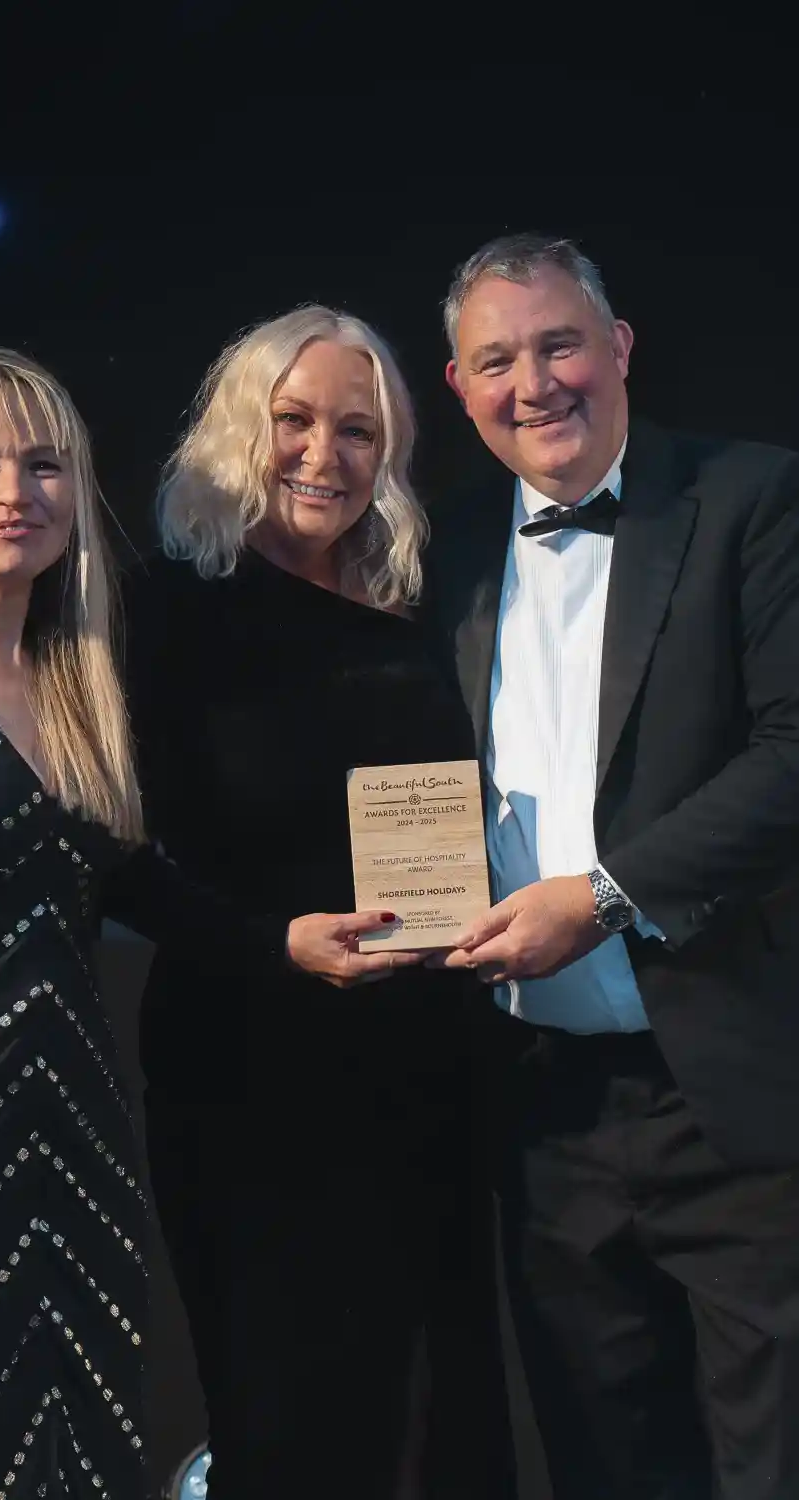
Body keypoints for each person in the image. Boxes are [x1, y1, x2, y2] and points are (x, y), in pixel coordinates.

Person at [0, 346, 413, 1500]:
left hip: (69, 1130)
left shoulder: (78, 675)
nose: (13, 492)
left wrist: (283, 942)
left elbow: (132, 881)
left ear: (76, 491)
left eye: (44, 466)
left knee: (70, 1442)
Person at [425, 232, 799, 1500]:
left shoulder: (753, 497)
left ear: (620, 347)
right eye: (496, 361)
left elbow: (795, 751)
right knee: (605, 1466)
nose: (534, 383)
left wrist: (601, 897)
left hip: (733, 1097)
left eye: (559, 343)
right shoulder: (445, 564)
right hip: (542, 1111)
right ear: (458, 388)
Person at [122, 307, 517, 1499]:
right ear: (239, 430)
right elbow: (110, 855)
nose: (323, 456)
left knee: (434, 1407)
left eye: (358, 431)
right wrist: (270, 946)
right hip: (248, 1078)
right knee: (287, 1418)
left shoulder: (427, 604)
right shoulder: (158, 615)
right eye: (292, 421)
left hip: (424, 1070)